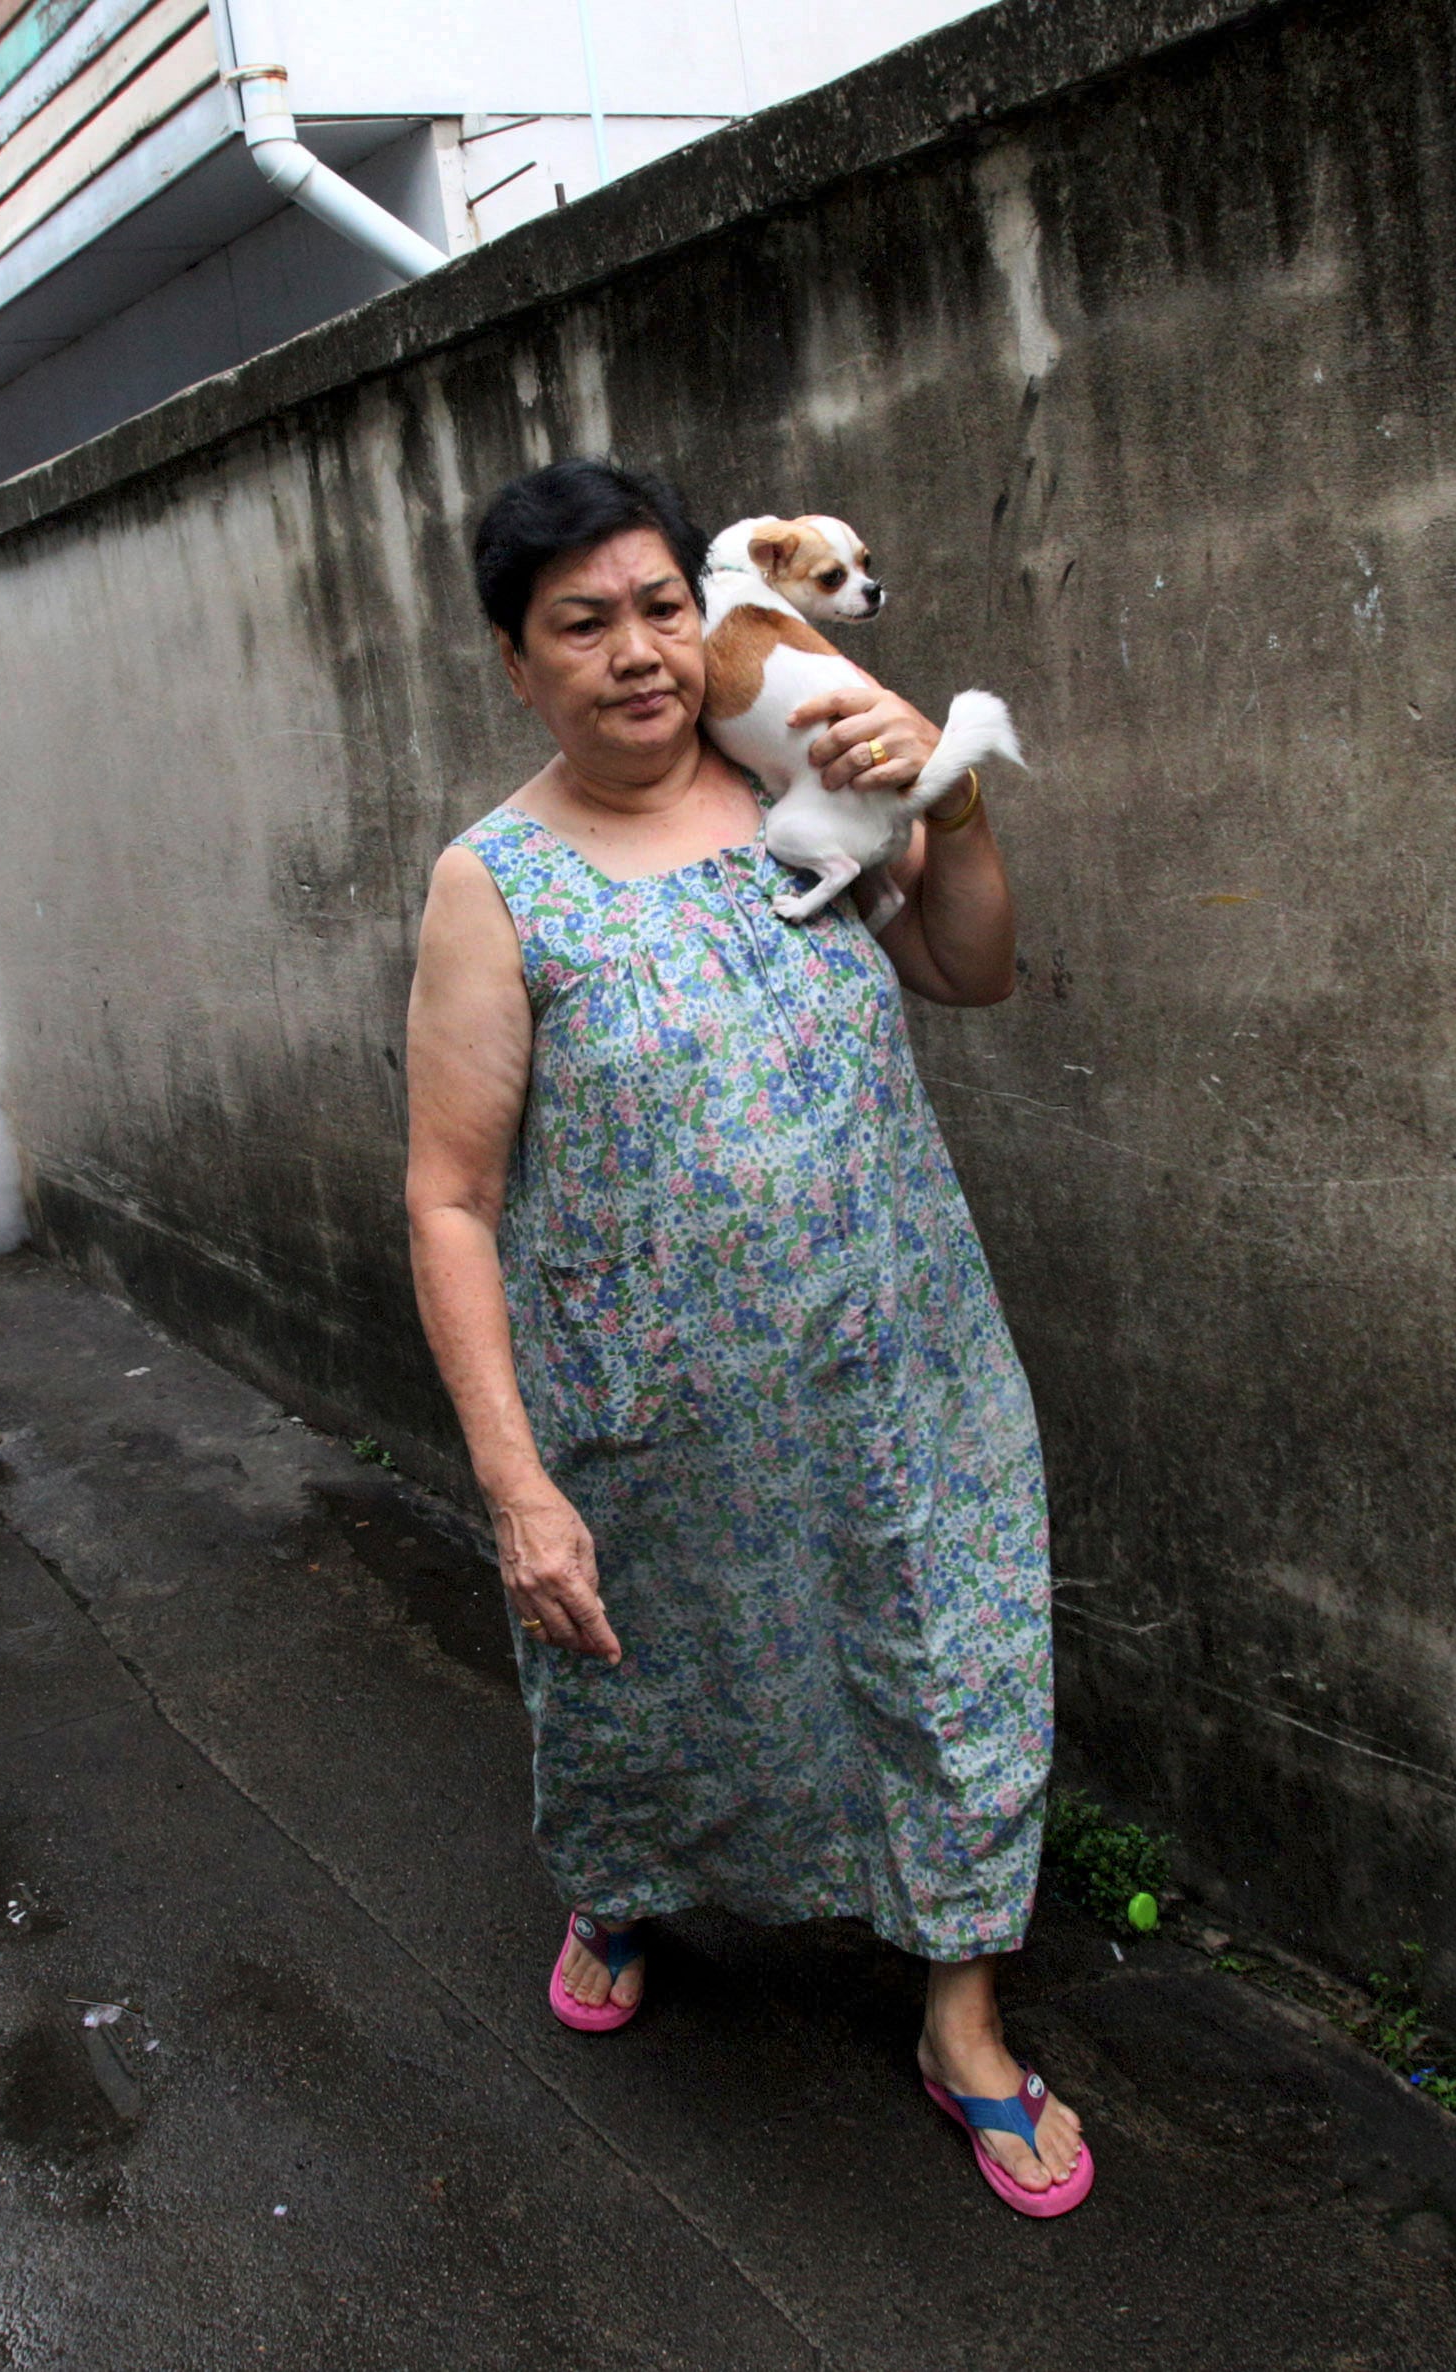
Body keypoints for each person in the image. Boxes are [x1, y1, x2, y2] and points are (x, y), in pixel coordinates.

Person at [401, 460, 1086, 2216]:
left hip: (896, 1366)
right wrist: (513, 1480)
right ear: (512, 658)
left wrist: (958, 803)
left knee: (943, 1657)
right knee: (649, 1674)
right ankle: (626, 1883)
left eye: (659, 607)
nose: (638, 653)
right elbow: (453, 1200)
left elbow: (971, 969)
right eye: (582, 624)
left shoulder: (796, 767)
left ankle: (957, 2014)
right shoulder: (498, 884)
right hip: (650, 1409)